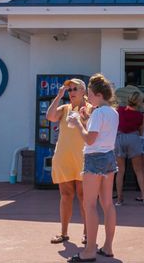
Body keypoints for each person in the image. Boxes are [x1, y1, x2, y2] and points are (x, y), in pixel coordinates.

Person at [67, 73, 118, 262]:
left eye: (89, 93)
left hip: (94, 158)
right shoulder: (112, 112)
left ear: (97, 94)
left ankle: (89, 251)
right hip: (109, 158)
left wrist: (78, 122)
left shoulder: (98, 113)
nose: (87, 97)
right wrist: (87, 118)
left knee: (89, 205)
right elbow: (101, 133)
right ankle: (108, 247)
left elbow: (90, 139)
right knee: (108, 204)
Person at [46, 79, 89, 245]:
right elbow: (50, 116)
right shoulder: (64, 109)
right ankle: (63, 233)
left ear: (83, 91)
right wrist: (59, 95)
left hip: (84, 160)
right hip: (64, 159)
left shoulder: (90, 109)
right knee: (66, 196)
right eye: (69, 89)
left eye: (75, 89)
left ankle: (87, 233)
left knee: (84, 197)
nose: (71, 92)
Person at [114, 89, 144, 205]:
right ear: (139, 102)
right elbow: (141, 132)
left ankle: (119, 199)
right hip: (133, 138)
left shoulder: (119, 110)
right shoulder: (140, 116)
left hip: (119, 138)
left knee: (120, 171)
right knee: (139, 170)